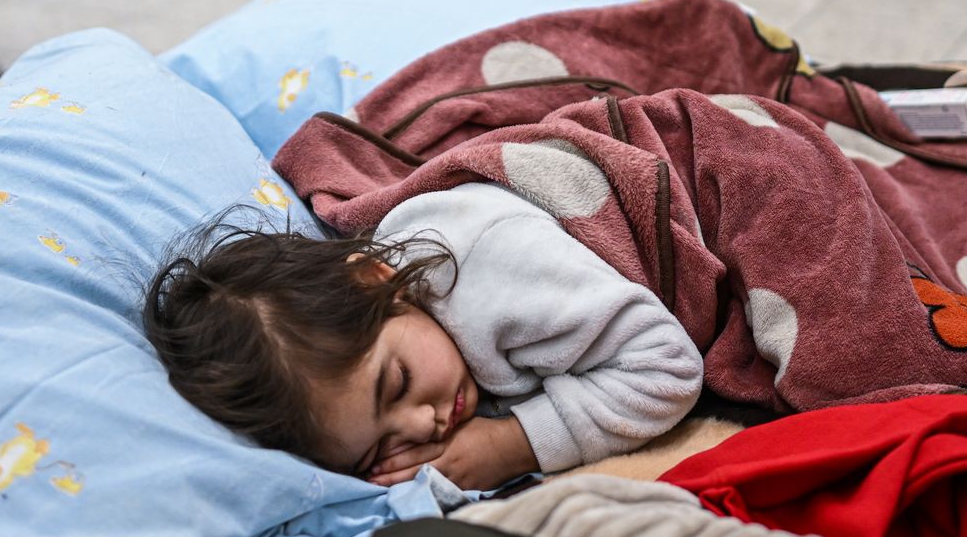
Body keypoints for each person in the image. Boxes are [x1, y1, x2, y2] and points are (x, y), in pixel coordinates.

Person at [143, 184, 704, 491]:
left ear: (377, 280)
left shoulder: (492, 274)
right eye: (380, 449)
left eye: (397, 383)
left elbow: (668, 368)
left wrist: (510, 446)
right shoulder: (409, 332)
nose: (422, 425)